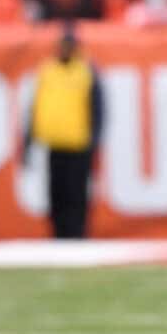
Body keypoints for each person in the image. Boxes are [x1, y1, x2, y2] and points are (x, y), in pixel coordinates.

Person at [22, 26, 105, 239]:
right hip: (54, 142)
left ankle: (77, 236)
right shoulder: (47, 70)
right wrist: (28, 141)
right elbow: (35, 107)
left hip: (78, 143)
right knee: (55, 194)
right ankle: (58, 236)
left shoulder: (86, 70)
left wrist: (95, 139)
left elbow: (98, 107)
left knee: (76, 194)